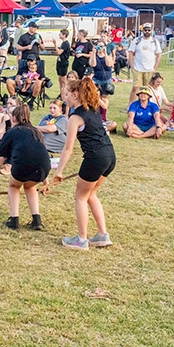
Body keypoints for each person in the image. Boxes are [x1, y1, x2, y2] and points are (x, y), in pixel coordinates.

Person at [51, 78, 116, 250]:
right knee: (91, 194)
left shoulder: (75, 117)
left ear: (75, 95)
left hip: (95, 158)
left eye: (66, 94)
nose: (64, 98)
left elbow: (68, 149)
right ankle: (102, 235)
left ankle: (81, 239)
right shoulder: (93, 109)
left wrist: (58, 172)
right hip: (109, 156)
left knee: (80, 197)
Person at [0, 104, 51, 231]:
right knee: (30, 186)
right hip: (43, 168)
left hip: (23, 166)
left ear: (13, 118)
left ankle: (14, 220)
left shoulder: (11, 132)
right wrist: (45, 181)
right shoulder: (36, 131)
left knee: (13, 186)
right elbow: (40, 155)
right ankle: (37, 220)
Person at [127, 22, 162, 101]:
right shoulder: (137, 40)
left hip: (149, 69)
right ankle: (131, 104)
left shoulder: (155, 41)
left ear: (151, 30)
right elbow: (131, 52)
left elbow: (159, 54)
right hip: (138, 68)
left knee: (148, 89)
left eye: (149, 30)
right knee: (136, 88)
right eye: (145, 30)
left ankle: (146, 104)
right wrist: (132, 65)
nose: (147, 31)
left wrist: (155, 67)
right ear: (142, 30)